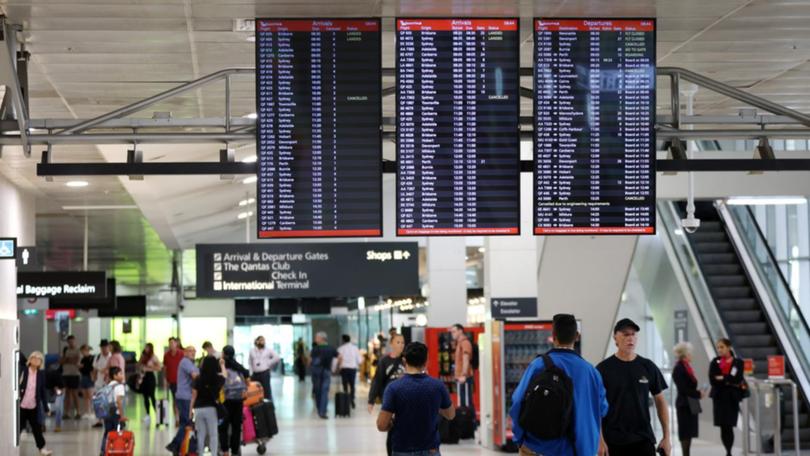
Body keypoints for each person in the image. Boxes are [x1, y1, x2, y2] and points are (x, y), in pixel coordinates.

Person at [509, 314, 608, 456]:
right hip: (583, 449)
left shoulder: (538, 365)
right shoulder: (592, 372)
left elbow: (518, 401)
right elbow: (601, 410)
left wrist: (519, 438)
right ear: (577, 336)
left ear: (553, 336)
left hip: (541, 448)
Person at [597, 318, 671, 456]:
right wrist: (599, 440)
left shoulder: (647, 366)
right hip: (613, 441)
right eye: (625, 334)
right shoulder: (603, 369)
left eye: (633, 334)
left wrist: (667, 437)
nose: (630, 338)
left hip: (643, 439)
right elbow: (595, 407)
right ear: (615, 338)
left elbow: (660, 400)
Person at [377, 342, 455, 456]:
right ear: (426, 361)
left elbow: (381, 425)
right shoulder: (438, 386)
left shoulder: (393, 388)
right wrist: (434, 406)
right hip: (430, 450)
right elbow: (450, 415)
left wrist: (392, 424)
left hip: (402, 449)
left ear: (404, 361)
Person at [368, 333, 406, 455]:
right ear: (391, 344)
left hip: (406, 399)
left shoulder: (407, 359)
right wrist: (371, 400)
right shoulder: (385, 360)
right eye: (398, 342)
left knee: (405, 428)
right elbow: (377, 380)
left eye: (403, 342)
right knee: (392, 429)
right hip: (390, 399)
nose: (401, 345)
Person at [709, 338, 746, 456]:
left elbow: (737, 379)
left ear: (728, 347)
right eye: (718, 347)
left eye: (722, 347)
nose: (719, 349)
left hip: (731, 398)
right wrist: (728, 380)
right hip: (719, 398)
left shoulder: (738, 362)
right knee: (723, 426)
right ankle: (728, 451)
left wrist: (722, 378)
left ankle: (729, 451)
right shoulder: (715, 362)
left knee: (729, 425)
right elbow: (712, 379)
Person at [166, 345, 200, 455]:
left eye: (194, 351)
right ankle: (175, 445)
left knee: (185, 422)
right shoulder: (185, 362)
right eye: (190, 351)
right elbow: (195, 376)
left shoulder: (191, 363)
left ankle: (179, 446)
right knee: (185, 422)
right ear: (185, 352)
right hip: (184, 397)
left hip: (187, 396)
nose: (193, 353)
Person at [19, 351, 54, 455]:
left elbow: (43, 392)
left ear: (41, 362)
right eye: (34, 358)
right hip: (21, 404)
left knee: (37, 428)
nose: (36, 360)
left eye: (39, 359)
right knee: (18, 427)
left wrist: (46, 409)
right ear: (30, 359)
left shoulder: (41, 375)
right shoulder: (23, 371)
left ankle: (42, 449)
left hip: (33, 405)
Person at [673, 342, 703, 456]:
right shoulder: (679, 368)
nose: (692, 355)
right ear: (685, 354)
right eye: (690, 353)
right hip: (684, 404)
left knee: (689, 433)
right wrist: (698, 393)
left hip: (691, 403)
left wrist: (698, 393)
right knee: (685, 433)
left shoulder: (686, 366)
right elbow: (683, 389)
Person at [191, 356, 225, 456]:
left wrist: (190, 411)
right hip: (211, 408)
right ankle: (213, 454)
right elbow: (225, 376)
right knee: (213, 434)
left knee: (201, 434)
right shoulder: (217, 378)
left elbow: (193, 396)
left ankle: (201, 454)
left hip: (198, 409)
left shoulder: (198, 378)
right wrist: (222, 365)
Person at [220, 345, 250, 456]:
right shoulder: (239, 367)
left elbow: (221, 380)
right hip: (238, 400)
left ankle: (225, 450)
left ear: (223, 354)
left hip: (226, 401)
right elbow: (247, 377)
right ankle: (235, 451)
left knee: (223, 427)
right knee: (236, 427)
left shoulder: (222, 365)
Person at [310, 332, 339, 419]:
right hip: (327, 371)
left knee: (318, 391)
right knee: (324, 391)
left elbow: (309, 360)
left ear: (321, 339)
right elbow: (339, 357)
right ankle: (322, 411)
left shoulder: (315, 349)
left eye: (316, 338)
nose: (315, 339)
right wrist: (337, 368)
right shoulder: (331, 348)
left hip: (316, 372)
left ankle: (320, 409)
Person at [99, 366, 127, 456]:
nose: (122, 375)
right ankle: (115, 450)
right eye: (120, 374)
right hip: (116, 413)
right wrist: (122, 415)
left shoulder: (108, 386)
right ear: (115, 376)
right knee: (117, 432)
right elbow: (119, 402)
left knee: (107, 432)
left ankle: (103, 451)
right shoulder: (119, 386)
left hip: (107, 413)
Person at [449, 324, 474, 408]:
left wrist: (464, 375)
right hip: (461, 377)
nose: (452, 334)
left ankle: (468, 420)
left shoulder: (465, 343)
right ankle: (465, 419)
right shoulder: (460, 343)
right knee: (463, 402)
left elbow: (466, 358)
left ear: (460, 331)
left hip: (464, 378)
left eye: (454, 331)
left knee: (466, 402)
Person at [249, 335, 280, 400]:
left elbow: (277, 358)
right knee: (255, 391)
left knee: (266, 390)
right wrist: (251, 373)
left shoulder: (268, 350)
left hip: (264, 373)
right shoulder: (252, 351)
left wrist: (268, 364)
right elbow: (250, 362)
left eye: (263, 340)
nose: (263, 342)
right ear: (256, 341)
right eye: (261, 340)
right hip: (255, 374)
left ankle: (268, 406)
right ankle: (257, 407)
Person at [163, 337, 185, 427]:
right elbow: (165, 368)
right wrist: (165, 380)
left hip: (182, 382)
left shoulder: (182, 354)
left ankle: (183, 418)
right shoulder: (166, 355)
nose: (171, 345)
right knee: (175, 401)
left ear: (176, 344)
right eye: (170, 343)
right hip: (172, 381)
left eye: (173, 343)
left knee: (182, 400)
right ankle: (176, 419)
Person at [139, 342, 162, 425]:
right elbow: (139, 364)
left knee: (152, 396)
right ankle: (148, 414)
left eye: (147, 347)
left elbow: (159, 367)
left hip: (150, 377)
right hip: (143, 377)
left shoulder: (153, 357)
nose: (146, 349)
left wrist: (150, 367)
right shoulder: (143, 356)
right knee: (145, 396)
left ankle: (157, 414)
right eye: (145, 347)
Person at [337, 334, 362, 408]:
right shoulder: (355, 348)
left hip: (344, 369)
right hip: (352, 369)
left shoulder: (340, 349)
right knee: (352, 385)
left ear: (343, 340)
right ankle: (352, 399)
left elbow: (338, 359)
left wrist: (336, 368)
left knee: (345, 385)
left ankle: (346, 400)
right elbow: (359, 360)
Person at [60, 334, 82, 419]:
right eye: (69, 342)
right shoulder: (65, 350)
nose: (71, 343)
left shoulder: (78, 350)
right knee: (67, 394)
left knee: (74, 394)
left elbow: (76, 360)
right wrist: (68, 359)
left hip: (74, 374)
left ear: (75, 341)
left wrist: (67, 359)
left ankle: (78, 412)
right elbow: (61, 361)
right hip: (66, 374)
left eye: (72, 341)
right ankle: (66, 413)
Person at [92, 339, 112, 428]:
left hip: (109, 384)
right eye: (102, 347)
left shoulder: (111, 357)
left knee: (108, 402)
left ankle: (109, 419)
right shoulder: (97, 357)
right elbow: (95, 369)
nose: (104, 349)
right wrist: (94, 378)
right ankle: (99, 420)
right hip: (99, 383)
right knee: (98, 402)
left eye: (105, 347)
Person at [79, 344, 95, 419]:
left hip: (89, 377)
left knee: (90, 395)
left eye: (84, 351)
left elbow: (91, 368)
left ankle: (93, 411)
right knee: (85, 396)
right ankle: (87, 411)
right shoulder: (82, 359)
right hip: (83, 377)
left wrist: (83, 367)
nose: (83, 353)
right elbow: (81, 369)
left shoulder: (92, 358)